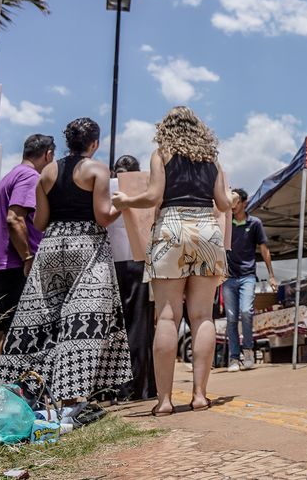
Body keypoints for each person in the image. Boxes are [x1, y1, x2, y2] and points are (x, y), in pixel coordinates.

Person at [0, 119, 130, 430]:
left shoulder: (47, 173)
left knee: (47, 322)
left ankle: (23, 395)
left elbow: (39, 222)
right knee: (83, 322)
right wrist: (123, 205)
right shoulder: (97, 170)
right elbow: (103, 217)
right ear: (94, 143)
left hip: (52, 246)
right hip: (87, 246)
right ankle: (72, 402)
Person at [112, 106, 232, 416]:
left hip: (172, 227)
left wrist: (126, 201)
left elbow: (153, 196)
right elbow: (222, 203)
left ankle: (164, 401)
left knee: (166, 317)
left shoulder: (161, 154)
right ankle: (200, 396)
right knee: (203, 316)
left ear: (166, 127)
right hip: (207, 228)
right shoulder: (212, 159)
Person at [0, 134, 54, 385]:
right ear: (48, 155)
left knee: (0, 328)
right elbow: (15, 218)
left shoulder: (8, 177)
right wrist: (27, 257)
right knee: (12, 332)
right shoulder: (30, 177)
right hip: (14, 266)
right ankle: (5, 392)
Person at [108, 155, 157, 401]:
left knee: (115, 327)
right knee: (141, 326)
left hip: (109, 263)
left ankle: (115, 389)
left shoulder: (106, 187)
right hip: (139, 260)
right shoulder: (143, 188)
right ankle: (142, 387)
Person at [224, 187, 278, 372]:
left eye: (236, 201)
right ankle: (233, 358)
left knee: (246, 312)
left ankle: (248, 351)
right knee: (231, 318)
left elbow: (264, 249)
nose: (233, 205)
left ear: (244, 203)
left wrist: (271, 275)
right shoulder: (225, 223)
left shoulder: (254, 223)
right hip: (227, 278)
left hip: (247, 276)